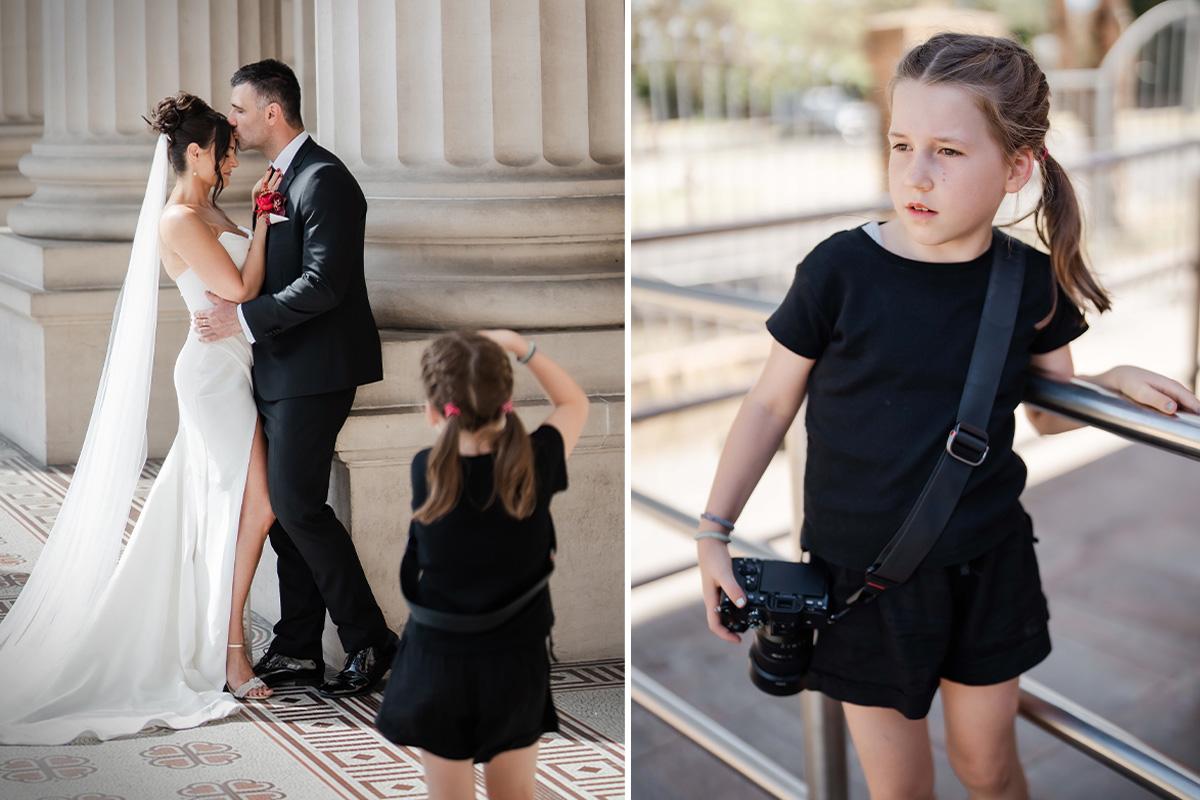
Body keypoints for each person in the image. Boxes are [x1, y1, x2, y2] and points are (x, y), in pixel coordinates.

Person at [696, 33, 1200, 800]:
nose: (916, 174)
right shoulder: (839, 269)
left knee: (988, 769)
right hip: (859, 577)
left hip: (986, 565)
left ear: (1017, 167)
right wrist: (713, 532)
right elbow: (769, 403)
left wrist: (1107, 383)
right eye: (902, 145)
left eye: (949, 152)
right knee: (901, 791)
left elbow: (1048, 413)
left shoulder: (1028, 283)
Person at [0, 92, 280, 744]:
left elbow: (248, 293)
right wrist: (265, 222)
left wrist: (259, 222)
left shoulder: (210, 207)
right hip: (213, 379)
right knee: (259, 502)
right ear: (194, 151)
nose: (235, 157)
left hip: (241, 369)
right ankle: (230, 647)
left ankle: (215, 634)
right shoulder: (178, 218)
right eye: (226, 147)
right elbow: (238, 291)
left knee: (209, 506)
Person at [193, 59, 397, 696]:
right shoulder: (277, 180)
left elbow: (326, 284)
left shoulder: (325, 179)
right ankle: (299, 644)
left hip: (316, 370)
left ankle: (370, 640)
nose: (233, 120)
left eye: (240, 109)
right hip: (279, 369)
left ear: (272, 112)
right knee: (282, 511)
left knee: (299, 506)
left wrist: (244, 321)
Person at [375, 330, 588, 800]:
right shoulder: (535, 463)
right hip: (515, 659)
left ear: (433, 411)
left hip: (438, 659)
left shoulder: (425, 470)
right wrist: (520, 346)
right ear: (506, 401)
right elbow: (573, 403)